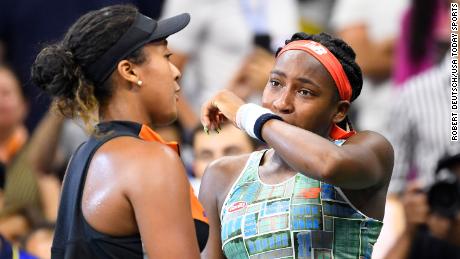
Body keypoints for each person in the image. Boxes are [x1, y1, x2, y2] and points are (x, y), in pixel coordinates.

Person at [31, 5, 208, 258]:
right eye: (166, 57)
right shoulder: (149, 160)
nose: (177, 72)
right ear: (129, 70)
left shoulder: (81, 158)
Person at [199, 32, 394, 258]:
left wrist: (247, 115)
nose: (282, 102)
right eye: (275, 83)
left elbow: (327, 165)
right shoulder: (222, 175)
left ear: (339, 111)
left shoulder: (371, 149)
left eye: (304, 92)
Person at [190, 122, 258, 194]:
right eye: (206, 156)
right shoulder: (182, 201)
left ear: (259, 156)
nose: (218, 165)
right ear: (194, 166)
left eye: (232, 152)